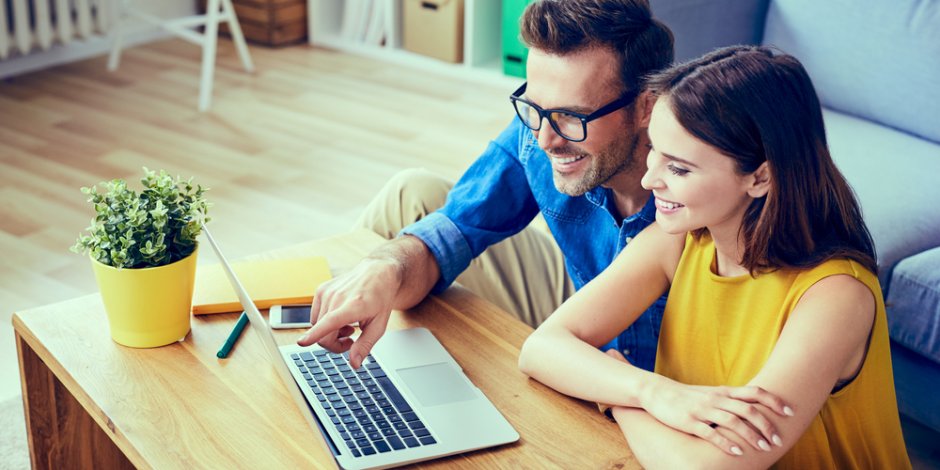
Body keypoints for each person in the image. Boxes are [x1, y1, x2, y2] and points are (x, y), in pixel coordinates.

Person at [518, 45, 912, 468]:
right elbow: (541, 348)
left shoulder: (836, 296)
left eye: (679, 168)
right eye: (655, 150)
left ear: (760, 176)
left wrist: (618, 399)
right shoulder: (680, 241)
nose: (651, 179)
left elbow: (707, 466)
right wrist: (652, 391)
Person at [298, 0, 676, 371]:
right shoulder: (541, 133)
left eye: (572, 116)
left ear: (647, 106)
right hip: (578, 303)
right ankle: (342, 347)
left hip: (667, 370)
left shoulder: (701, 181)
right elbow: (456, 228)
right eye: (536, 108)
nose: (545, 140)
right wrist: (386, 268)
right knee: (412, 193)